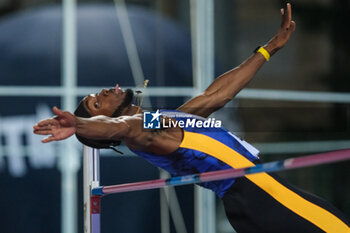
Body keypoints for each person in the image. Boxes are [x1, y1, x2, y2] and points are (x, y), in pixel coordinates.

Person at [33, 4, 350, 233]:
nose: (102, 91)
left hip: (262, 196)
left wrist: (268, 49)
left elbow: (218, 95)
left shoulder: (163, 122)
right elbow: (116, 128)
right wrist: (80, 125)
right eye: (97, 101)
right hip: (261, 199)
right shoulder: (138, 131)